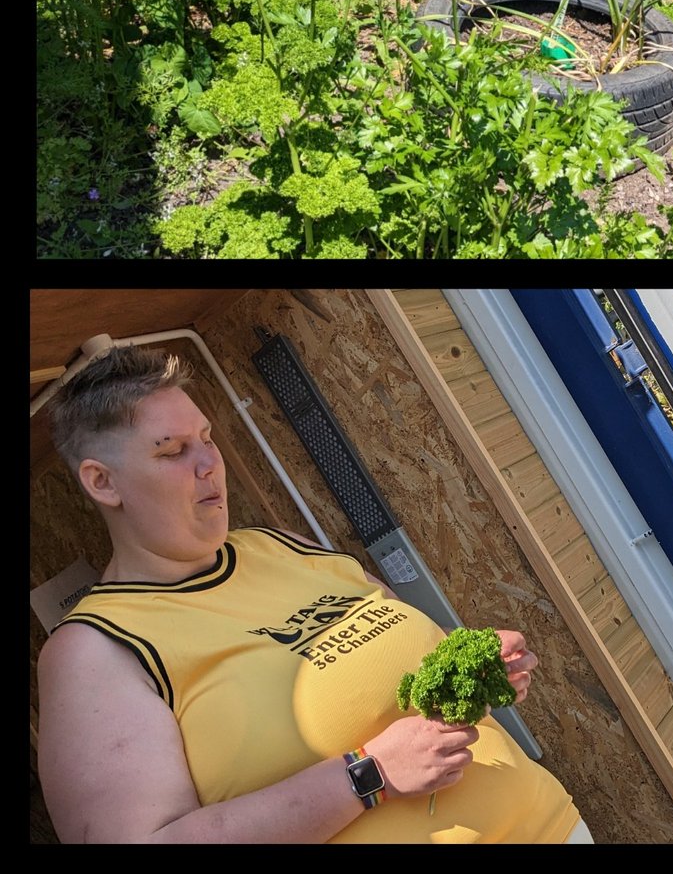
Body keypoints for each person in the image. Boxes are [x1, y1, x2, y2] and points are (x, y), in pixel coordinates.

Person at [36, 345, 591, 844]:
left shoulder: (279, 546)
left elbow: (410, 669)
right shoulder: (95, 648)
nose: (209, 464)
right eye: (172, 450)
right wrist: (365, 776)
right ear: (101, 482)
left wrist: (475, 670)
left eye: (206, 439)